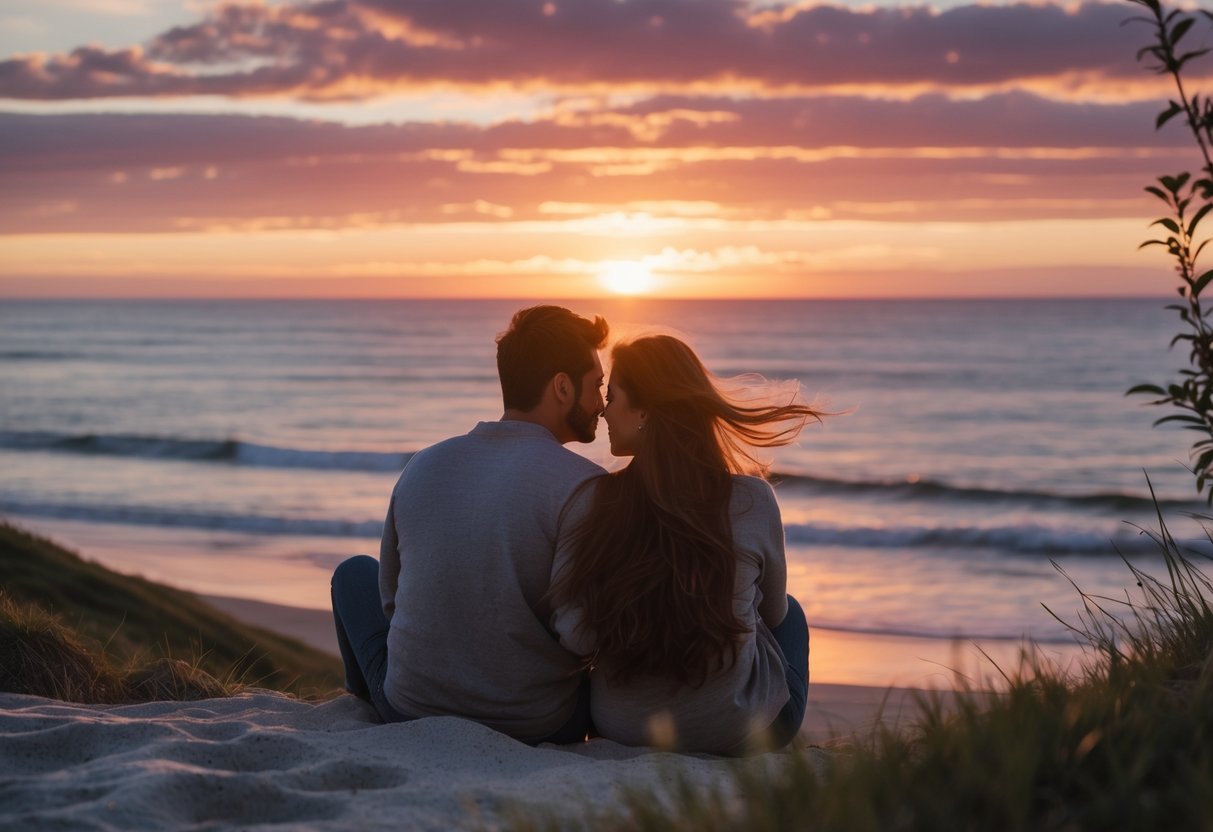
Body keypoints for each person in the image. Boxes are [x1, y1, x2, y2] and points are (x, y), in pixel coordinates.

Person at [330, 305, 609, 744]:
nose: (602, 405)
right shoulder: (587, 486)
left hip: (410, 709)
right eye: (597, 386)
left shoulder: (424, 464)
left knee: (353, 574)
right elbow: (580, 637)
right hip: (537, 723)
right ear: (562, 386)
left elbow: (392, 603)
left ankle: (361, 696)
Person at [549, 334, 819, 756]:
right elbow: (773, 614)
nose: (603, 410)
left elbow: (576, 634)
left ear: (645, 410)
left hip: (622, 729)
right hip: (737, 734)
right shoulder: (753, 499)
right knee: (792, 611)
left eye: (613, 396)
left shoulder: (595, 499)